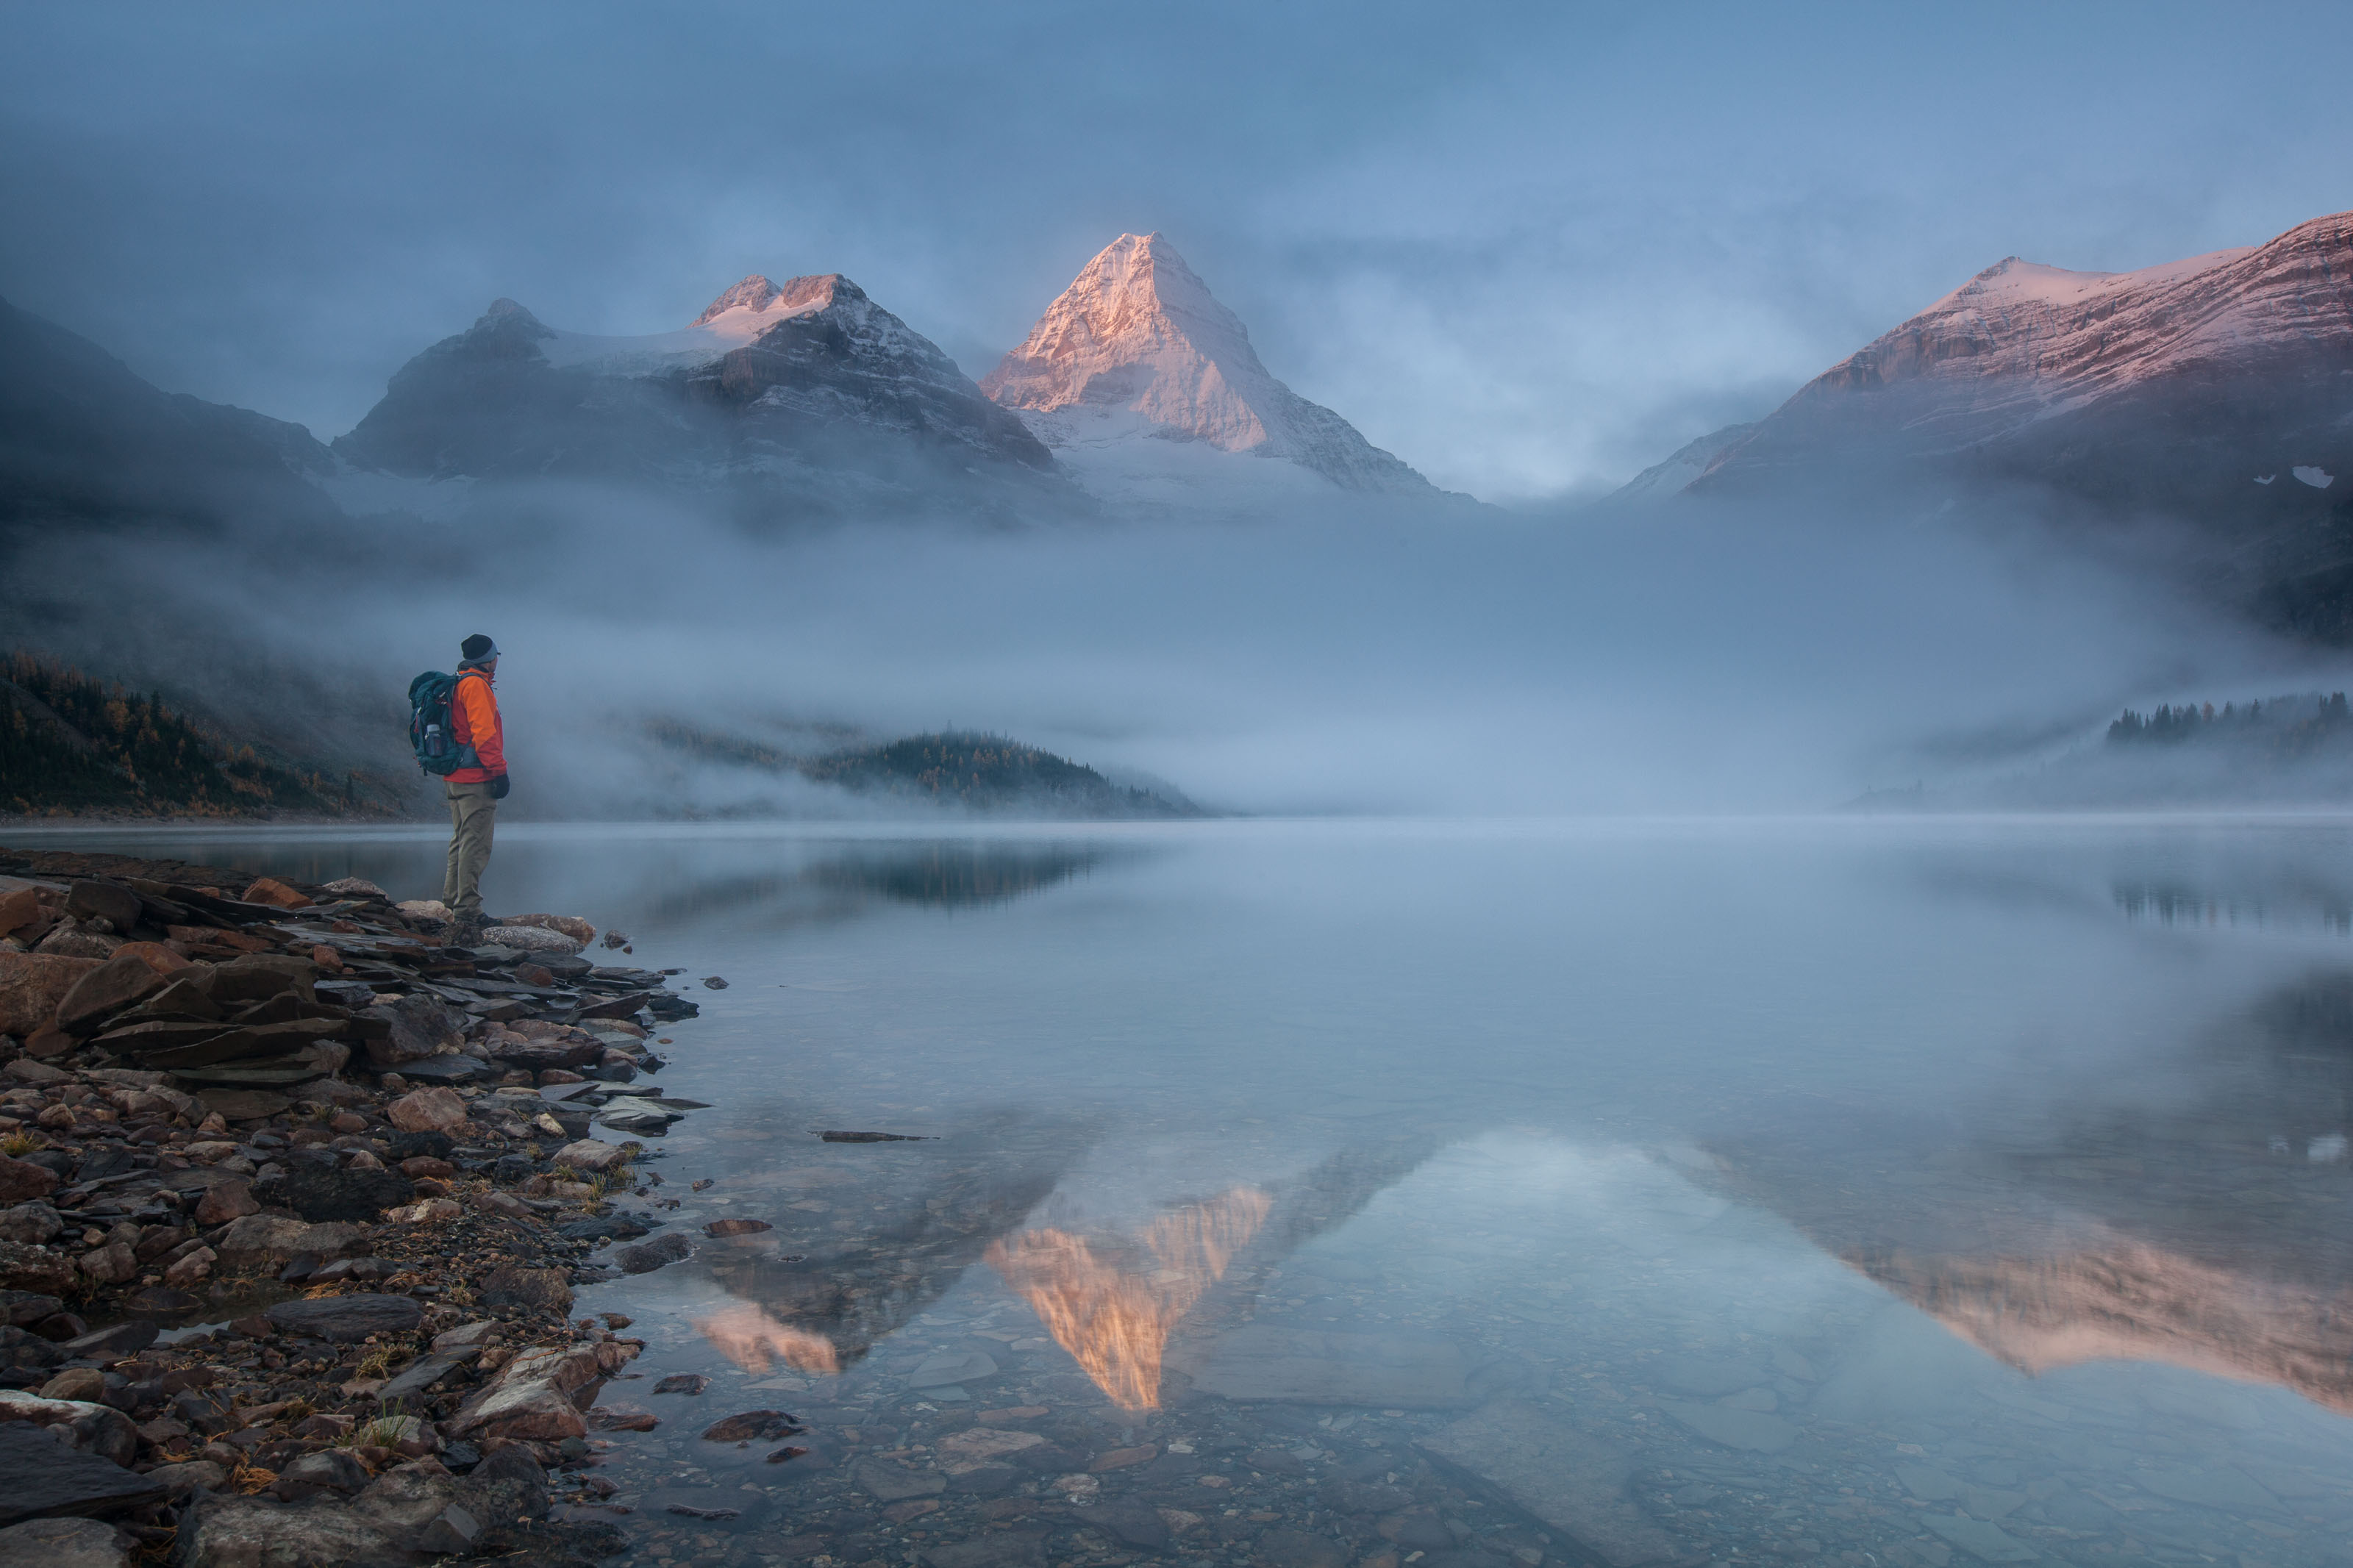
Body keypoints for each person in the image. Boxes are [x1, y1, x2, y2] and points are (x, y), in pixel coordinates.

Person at [440, 634, 508, 942]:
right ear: (488, 658)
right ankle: (468, 908)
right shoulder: (476, 686)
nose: (498, 660)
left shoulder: (459, 682)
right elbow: (484, 733)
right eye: (496, 655)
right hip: (475, 778)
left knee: (461, 839)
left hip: (455, 776)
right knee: (476, 843)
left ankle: (453, 901)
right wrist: (499, 772)